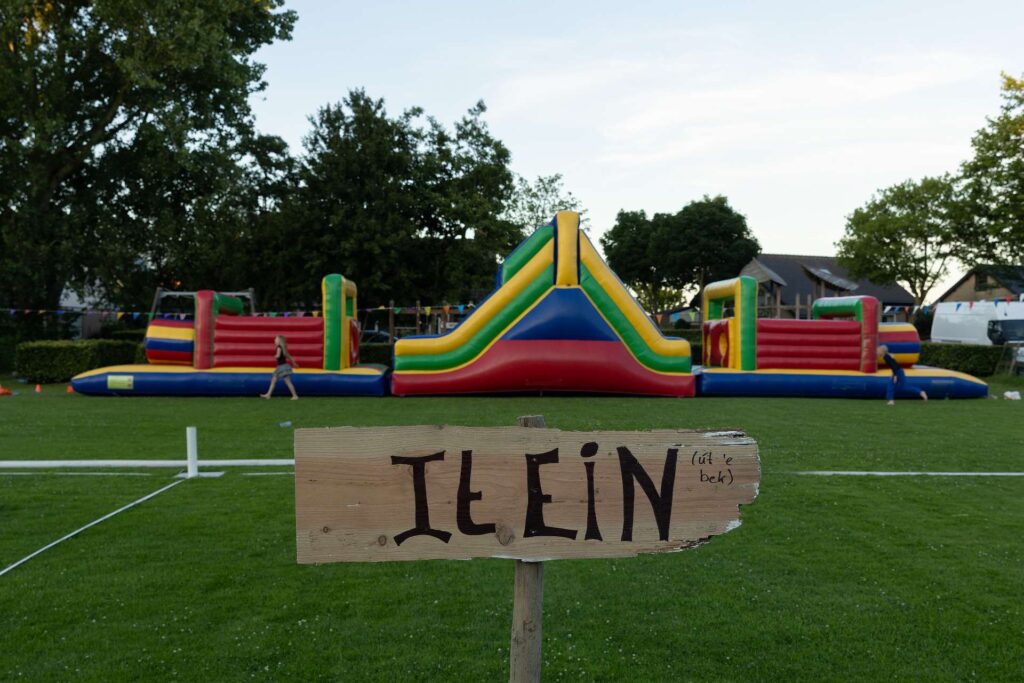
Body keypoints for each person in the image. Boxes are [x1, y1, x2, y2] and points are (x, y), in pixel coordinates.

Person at [261, 335, 299, 400]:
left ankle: (295, 396)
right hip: (283, 366)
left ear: (279, 341)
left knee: (283, 381)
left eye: (275, 339)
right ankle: (268, 394)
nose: (274, 340)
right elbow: (289, 356)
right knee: (277, 380)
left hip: (281, 367)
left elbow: (278, 356)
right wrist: (294, 363)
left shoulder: (278, 348)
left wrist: (276, 356)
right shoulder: (283, 348)